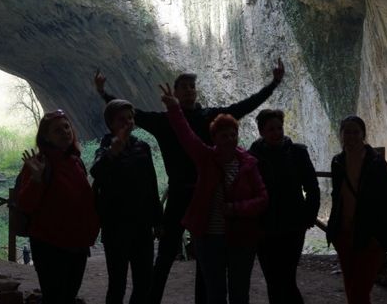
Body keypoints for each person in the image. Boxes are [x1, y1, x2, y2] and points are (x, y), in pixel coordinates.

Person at [94, 60, 285, 304]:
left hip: (206, 196)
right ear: (175, 92)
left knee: (205, 260)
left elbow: (243, 107)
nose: (188, 89)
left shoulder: (210, 117)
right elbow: (131, 114)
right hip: (177, 194)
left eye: (191, 86)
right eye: (183, 86)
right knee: (164, 257)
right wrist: (103, 93)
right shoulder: (164, 121)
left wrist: (273, 84)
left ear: (196, 91)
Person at [160, 83, 268, 304]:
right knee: (215, 294)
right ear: (214, 138)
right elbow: (186, 135)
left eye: (232, 134)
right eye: (223, 135)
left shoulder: (248, 163)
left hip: (241, 237)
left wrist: (236, 208)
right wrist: (174, 108)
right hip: (209, 239)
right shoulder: (206, 159)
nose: (229, 139)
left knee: (239, 293)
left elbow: (263, 198)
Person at [17, 110, 100, 304]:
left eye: (66, 126)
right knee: (55, 297)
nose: (65, 132)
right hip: (50, 246)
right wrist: (36, 180)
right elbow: (25, 204)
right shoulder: (39, 164)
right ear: (46, 137)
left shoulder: (75, 160)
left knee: (69, 295)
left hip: (78, 244)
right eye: (57, 130)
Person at [91, 99, 163, 304]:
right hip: (115, 228)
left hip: (142, 226)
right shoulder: (105, 147)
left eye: (130, 117)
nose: (128, 122)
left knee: (144, 282)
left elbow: (151, 185)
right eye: (122, 119)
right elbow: (96, 171)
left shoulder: (143, 147)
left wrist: (158, 220)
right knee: (117, 283)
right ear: (111, 123)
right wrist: (114, 151)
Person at [326, 115, 387, 304]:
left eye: (355, 132)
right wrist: (333, 229)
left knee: (358, 291)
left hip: (369, 236)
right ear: (341, 135)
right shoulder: (338, 162)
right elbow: (338, 197)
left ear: (363, 135)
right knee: (352, 288)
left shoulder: (376, 163)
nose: (351, 136)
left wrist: (379, 229)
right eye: (347, 132)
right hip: (343, 234)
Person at [249, 109, 320, 304]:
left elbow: (312, 186)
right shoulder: (252, 157)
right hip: (265, 227)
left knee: (287, 278)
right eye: (271, 129)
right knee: (273, 280)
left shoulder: (298, 152)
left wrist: (309, 216)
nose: (276, 133)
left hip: (292, 226)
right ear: (261, 132)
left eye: (279, 128)